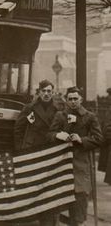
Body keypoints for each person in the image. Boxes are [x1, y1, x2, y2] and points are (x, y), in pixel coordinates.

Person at [49, 86, 103, 226]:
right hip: (62, 165)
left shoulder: (89, 117)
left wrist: (82, 140)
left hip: (81, 165)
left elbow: (98, 139)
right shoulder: (60, 116)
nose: (73, 102)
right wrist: (58, 135)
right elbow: (49, 135)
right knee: (57, 205)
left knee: (79, 203)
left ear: (81, 99)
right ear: (66, 100)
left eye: (75, 99)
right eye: (70, 99)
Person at [14, 79, 59, 226]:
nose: (46, 94)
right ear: (39, 92)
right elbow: (18, 130)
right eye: (44, 91)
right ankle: (24, 217)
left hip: (49, 151)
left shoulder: (58, 109)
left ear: (53, 93)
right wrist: (21, 150)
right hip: (31, 151)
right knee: (29, 185)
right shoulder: (29, 108)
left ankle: (47, 219)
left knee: (48, 186)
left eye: (49, 91)